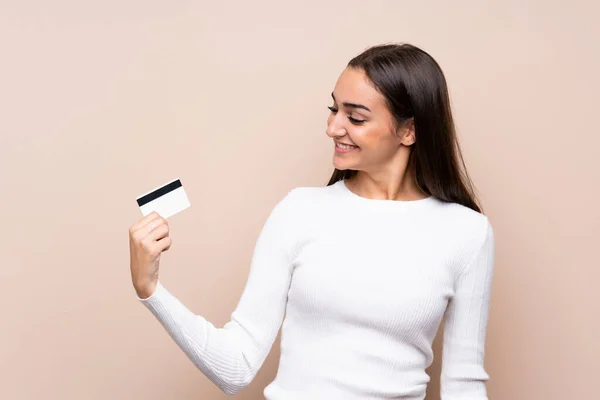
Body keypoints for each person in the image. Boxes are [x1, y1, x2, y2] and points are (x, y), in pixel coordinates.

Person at [128, 43, 495, 400]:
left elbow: (464, 386)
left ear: (408, 131)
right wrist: (151, 288)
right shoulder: (300, 212)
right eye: (333, 110)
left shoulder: (466, 233)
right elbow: (234, 367)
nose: (333, 128)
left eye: (355, 117)